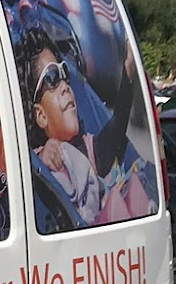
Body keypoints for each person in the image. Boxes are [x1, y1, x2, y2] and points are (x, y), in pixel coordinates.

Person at [17, 30, 147, 230]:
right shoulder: (37, 159)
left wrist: (128, 76)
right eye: (52, 78)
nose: (65, 86)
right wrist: (44, 155)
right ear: (41, 115)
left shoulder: (90, 149)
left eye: (65, 75)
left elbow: (116, 129)